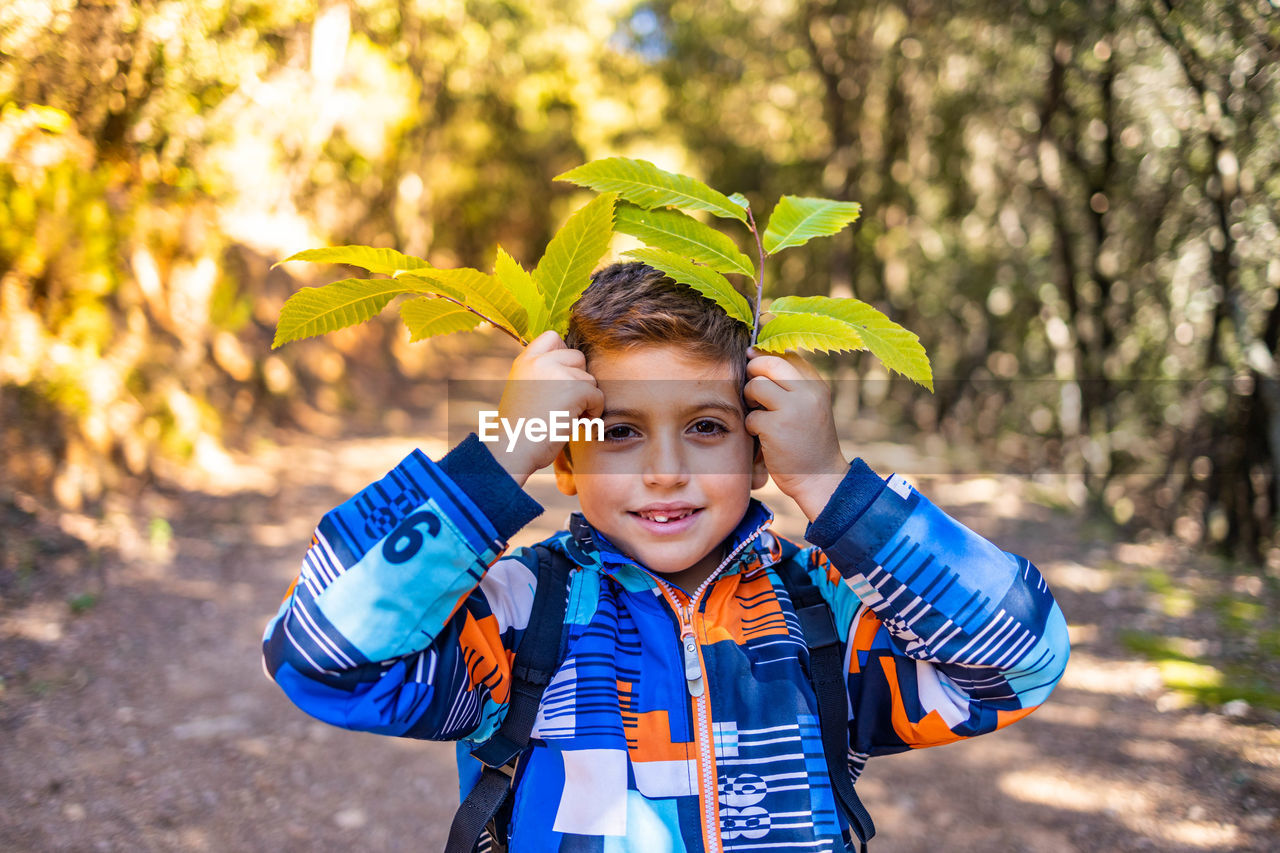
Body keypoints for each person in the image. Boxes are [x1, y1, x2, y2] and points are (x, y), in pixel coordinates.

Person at [262, 261, 1070, 852]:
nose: (666, 470)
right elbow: (320, 655)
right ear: (566, 456)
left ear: (762, 453)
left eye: (708, 427)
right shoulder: (516, 615)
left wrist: (834, 489)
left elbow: (1023, 660)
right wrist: (496, 458)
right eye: (619, 431)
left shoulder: (825, 612)